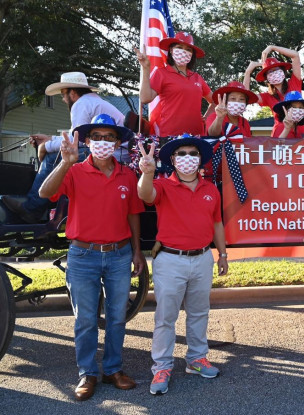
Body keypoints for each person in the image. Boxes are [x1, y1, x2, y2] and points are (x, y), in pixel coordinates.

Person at [36, 114, 144, 401]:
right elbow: (45, 192)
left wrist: (136, 251)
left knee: (117, 318)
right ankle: (87, 374)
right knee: (85, 320)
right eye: (96, 136)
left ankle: (113, 370)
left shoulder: (128, 175)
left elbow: (134, 214)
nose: (103, 142)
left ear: (119, 142)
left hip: (119, 254)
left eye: (110, 137)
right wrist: (65, 162)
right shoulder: (73, 171)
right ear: (86, 141)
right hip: (83, 254)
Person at [137, 134, 229, 395]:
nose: (188, 158)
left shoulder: (210, 189)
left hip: (202, 258)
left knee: (199, 312)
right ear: (173, 160)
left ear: (200, 159)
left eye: (193, 153)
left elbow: (217, 223)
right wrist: (146, 172)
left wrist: (222, 255)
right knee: (166, 318)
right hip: (170, 259)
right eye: (181, 154)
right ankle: (162, 367)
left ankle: (196, 359)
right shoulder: (162, 186)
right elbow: (145, 195)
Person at [1, 72, 125, 223]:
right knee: (54, 153)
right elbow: (76, 136)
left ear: (72, 93)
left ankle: (32, 208)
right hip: (117, 151)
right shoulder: (92, 101)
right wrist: (50, 139)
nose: (63, 98)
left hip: (114, 153)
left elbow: (76, 141)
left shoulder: (81, 104)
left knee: (52, 157)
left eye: (63, 94)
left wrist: (46, 146)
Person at [135, 32, 212, 137]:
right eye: (179, 47)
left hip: (196, 136)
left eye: (188, 49)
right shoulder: (161, 73)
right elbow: (145, 98)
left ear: (192, 54)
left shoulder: (197, 77)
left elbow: (215, 101)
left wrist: (206, 117)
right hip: (169, 135)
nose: (183, 51)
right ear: (171, 50)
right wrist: (145, 68)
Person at [244, 45, 302, 137]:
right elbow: (245, 97)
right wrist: (247, 73)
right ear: (266, 78)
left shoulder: (294, 83)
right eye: (270, 72)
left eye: (277, 70)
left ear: (283, 71)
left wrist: (272, 47)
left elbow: (295, 55)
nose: (274, 73)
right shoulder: (267, 96)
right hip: (280, 135)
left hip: (300, 131)